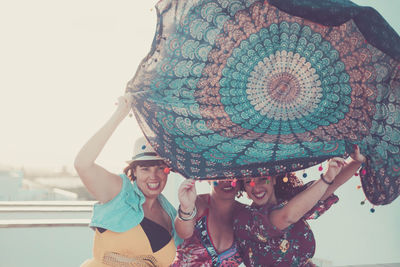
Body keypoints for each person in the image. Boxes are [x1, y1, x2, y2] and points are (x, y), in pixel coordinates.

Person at [74, 93, 182, 267]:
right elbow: (82, 164)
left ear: (168, 171)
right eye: (145, 168)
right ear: (134, 172)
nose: (153, 176)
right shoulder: (119, 193)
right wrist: (119, 114)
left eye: (160, 168)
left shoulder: (169, 213)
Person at [233, 147, 366, 266]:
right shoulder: (245, 218)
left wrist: (357, 160)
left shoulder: (290, 200)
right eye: (248, 182)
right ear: (244, 189)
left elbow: (330, 185)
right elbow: (286, 217)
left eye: (262, 178)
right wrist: (327, 177)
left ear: (274, 179)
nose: (256, 187)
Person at [172, 179, 243, 266]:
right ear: (208, 179)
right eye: (220, 175)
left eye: (233, 175)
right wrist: (186, 208)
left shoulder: (248, 215)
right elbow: (183, 233)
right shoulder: (196, 203)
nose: (227, 181)